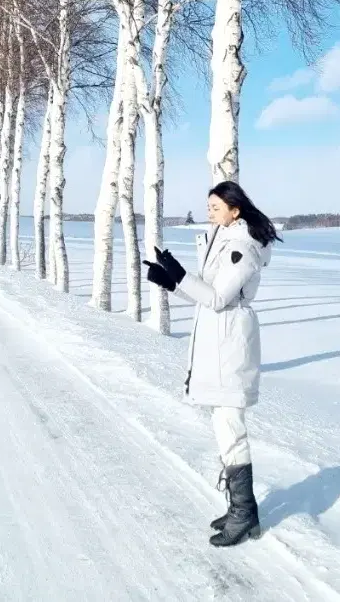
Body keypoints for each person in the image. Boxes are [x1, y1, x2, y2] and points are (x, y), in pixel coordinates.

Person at [144, 180, 279, 547]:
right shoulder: (220, 239)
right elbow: (207, 295)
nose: (210, 212)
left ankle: (245, 513)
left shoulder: (243, 248)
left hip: (231, 343)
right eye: (208, 207)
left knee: (230, 424)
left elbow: (219, 298)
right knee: (223, 424)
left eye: (217, 207)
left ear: (235, 210)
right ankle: (239, 508)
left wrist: (179, 274)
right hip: (216, 339)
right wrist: (170, 282)